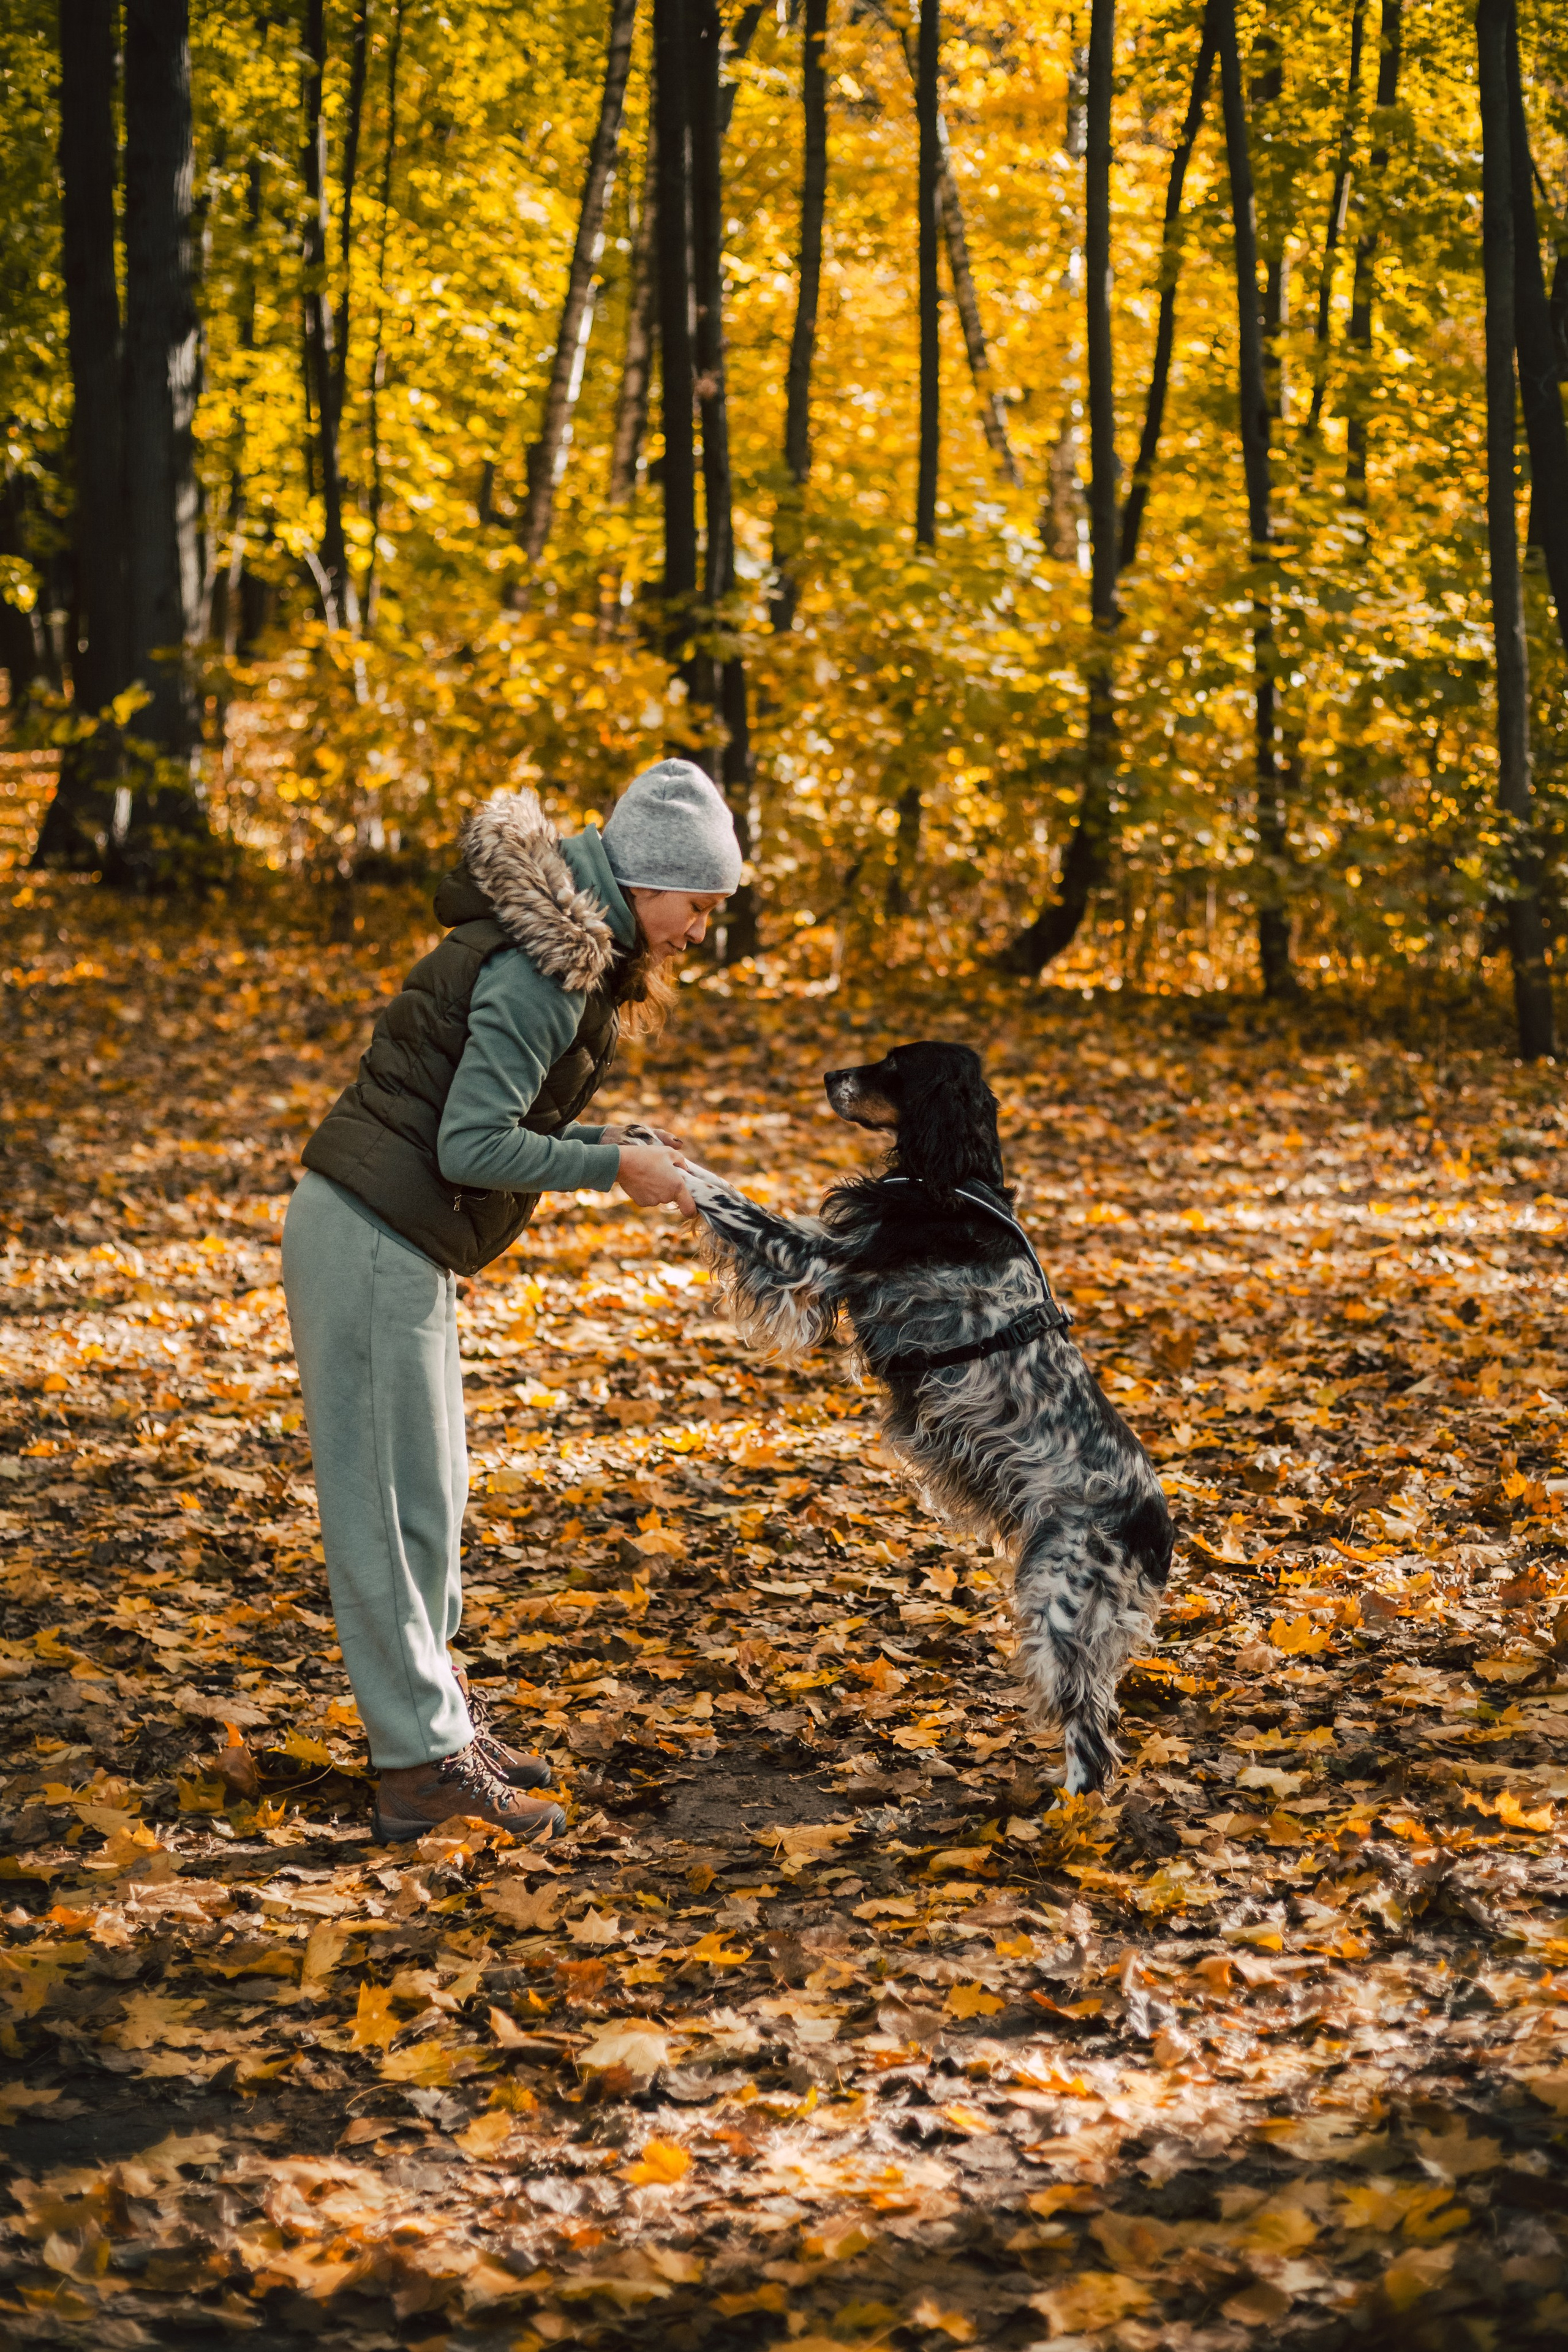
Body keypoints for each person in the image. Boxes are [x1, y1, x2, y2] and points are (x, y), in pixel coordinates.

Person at [282, 759, 737, 1842]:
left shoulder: (567, 949)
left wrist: (609, 1143)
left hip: (404, 1236)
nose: (700, 930)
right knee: (390, 1517)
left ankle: (439, 1725)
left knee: (431, 1504)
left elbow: (481, 1122)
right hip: (369, 1236)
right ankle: (420, 1766)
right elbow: (471, 1142)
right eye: (696, 906)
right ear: (641, 882)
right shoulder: (546, 973)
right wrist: (611, 1169)